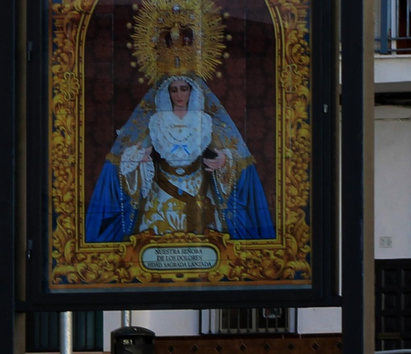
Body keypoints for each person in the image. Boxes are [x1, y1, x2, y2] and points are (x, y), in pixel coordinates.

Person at [86, 73, 274, 243]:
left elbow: (231, 151)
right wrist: (135, 159)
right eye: (174, 89)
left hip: (199, 188)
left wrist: (225, 160)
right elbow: (132, 150)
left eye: (184, 89)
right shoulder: (157, 120)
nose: (179, 95)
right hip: (162, 189)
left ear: (191, 91)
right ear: (167, 92)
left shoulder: (203, 120)